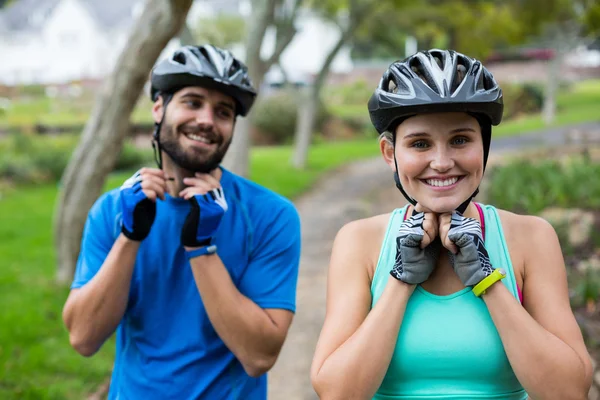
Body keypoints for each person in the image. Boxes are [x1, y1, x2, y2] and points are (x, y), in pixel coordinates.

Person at [310, 49, 593, 399]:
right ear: (389, 153)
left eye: (460, 140)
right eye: (420, 144)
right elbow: (337, 393)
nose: (442, 162)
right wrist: (400, 280)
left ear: (483, 146)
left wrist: (487, 280)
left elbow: (568, 392)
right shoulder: (359, 241)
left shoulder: (531, 237)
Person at [62, 44, 301, 400]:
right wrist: (130, 237)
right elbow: (83, 337)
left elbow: (259, 356)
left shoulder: (270, 215)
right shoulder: (112, 210)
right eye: (192, 102)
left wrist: (201, 247)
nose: (206, 120)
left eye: (223, 112)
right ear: (159, 108)